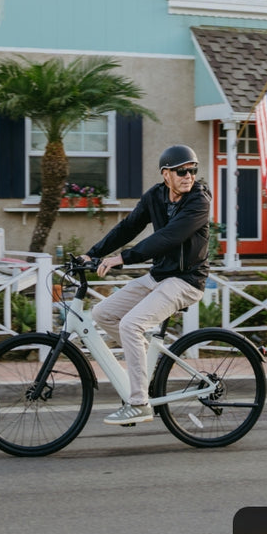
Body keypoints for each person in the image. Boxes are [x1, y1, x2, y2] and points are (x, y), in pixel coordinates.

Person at [81, 144, 211, 425]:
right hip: (159, 277)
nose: (189, 175)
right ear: (166, 174)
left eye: (193, 170)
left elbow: (167, 238)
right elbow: (128, 227)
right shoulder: (155, 196)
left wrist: (123, 258)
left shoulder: (199, 202)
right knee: (102, 314)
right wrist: (93, 253)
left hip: (186, 281)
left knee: (131, 325)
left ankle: (139, 403)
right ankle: (142, 366)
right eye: (181, 171)